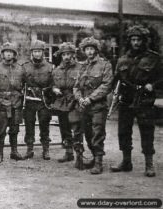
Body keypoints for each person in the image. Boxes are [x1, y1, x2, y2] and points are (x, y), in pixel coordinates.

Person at [110, 25, 163, 177]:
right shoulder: (122, 60)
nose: (136, 43)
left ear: (144, 41)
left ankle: (149, 164)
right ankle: (126, 162)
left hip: (144, 100)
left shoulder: (154, 58)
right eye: (133, 39)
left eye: (139, 39)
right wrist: (117, 93)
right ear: (129, 41)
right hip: (126, 100)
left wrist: (152, 85)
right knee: (123, 132)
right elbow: (116, 80)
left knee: (147, 132)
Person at [74, 36, 113, 174]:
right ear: (84, 51)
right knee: (88, 134)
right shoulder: (82, 66)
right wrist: (79, 98)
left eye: (92, 49)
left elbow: (106, 85)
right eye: (87, 49)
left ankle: (98, 162)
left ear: (96, 50)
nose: (89, 52)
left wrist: (90, 98)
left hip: (98, 106)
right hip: (84, 106)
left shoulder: (105, 65)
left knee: (98, 133)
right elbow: (76, 86)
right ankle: (94, 156)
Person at [51, 42, 84, 169]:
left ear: (73, 55)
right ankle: (68, 152)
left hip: (75, 101)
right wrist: (54, 89)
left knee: (76, 129)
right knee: (64, 129)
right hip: (61, 102)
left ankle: (79, 156)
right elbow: (53, 84)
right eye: (64, 54)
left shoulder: (80, 68)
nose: (66, 57)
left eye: (68, 54)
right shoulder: (56, 70)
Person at [0, 42, 25, 163]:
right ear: (2, 54)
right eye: (6, 52)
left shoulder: (20, 68)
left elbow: (25, 85)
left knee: (14, 129)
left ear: (14, 54)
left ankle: (14, 151)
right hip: (2, 103)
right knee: (1, 130)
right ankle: (0, 153)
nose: (9, 54)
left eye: (11, 52)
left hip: (16, 102)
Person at [22, 40, 53, 160]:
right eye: (35, 51)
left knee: (44, 125)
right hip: (29, 101)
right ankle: (29, 149)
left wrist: (48, 95)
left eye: (39, 51)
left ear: (43, 52)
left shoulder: (50, 67)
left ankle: (46, 149)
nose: (37, 54)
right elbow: (21, 83)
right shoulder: (25, 67)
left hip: (44, 101)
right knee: (29, 125)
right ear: (32, 53)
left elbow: (53, 83)